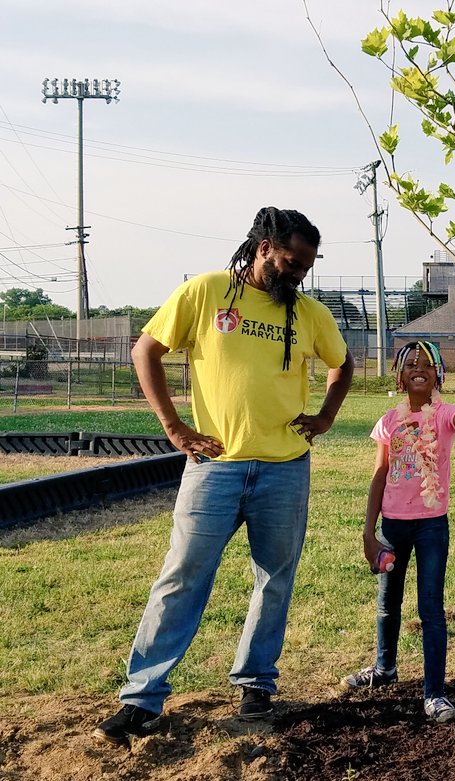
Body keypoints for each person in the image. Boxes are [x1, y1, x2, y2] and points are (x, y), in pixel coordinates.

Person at [94, 206, 354, 746]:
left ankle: (256, 686)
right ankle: (142, 698)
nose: (299, 273)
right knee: (183, 576)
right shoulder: (207, 292)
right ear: (264, 248)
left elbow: (342, 363)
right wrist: (174, 426)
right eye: (292, 261)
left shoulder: (308, 313)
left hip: (285, 468)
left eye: (307, 265)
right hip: (213, 466)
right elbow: (147, 350)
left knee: (274, 580)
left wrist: (326, 415)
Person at [343, 341, 455, 723]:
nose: (419, 368)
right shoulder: (388, 420)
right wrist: (369, 532)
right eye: (411, 363)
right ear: (400, 376)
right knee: (388, 603)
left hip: (431, 526)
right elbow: (381, 473)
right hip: (392, 524)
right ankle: (385, 669)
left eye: (427, 364)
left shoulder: (445, 415)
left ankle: (434, 693)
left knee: (430, 608)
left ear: (438, 375)